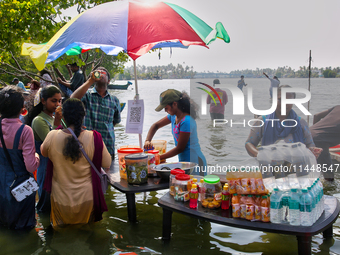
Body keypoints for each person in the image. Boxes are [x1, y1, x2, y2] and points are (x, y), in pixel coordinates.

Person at [41, 98, 111, 228]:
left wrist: (58, 127)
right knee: (87, 233)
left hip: (61, 198)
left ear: (64, 116)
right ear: (83, 116)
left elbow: (44, 153)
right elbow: (107, 163)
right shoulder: (94, 137)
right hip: (87, 198)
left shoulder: (52, 136)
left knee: (62, 235)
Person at [0, 86, 40, 229]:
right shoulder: (25, 130)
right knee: (23, 228)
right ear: (21, 108)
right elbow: (30, 166)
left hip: (1, 185)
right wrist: (36, 157)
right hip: (21, 187)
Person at [144, 89, 207, 176]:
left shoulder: (187, 121)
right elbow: (155, 126)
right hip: (184, 162)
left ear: (174, 104)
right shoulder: (173, 117)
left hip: (195, 162)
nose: (165, 110)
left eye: (166, 108)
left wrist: (157, 157)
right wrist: (147, 140)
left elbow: (180, 148)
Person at [245, 85, 318, 157]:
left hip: (296, 166)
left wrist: (313, 151)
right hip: (270, 166)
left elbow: (309, 144)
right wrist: (259, 154)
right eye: (280, 99)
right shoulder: (262, 121)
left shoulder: (301, 123)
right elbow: (249, 143)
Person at [25, 85, 62, 212]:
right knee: (46, 208)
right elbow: (52, 145)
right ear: (43, 101)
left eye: (59, 101)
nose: (57, 104)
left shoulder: (52, 117)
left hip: (57, 168)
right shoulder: (39, 120)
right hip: (46, 169)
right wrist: (57, 123)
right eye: (53, 101)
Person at [71, 67, 121, 159]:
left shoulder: (114, 100)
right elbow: (72, 100)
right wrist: (90, 80)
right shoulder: (87, 96)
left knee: (108, 172)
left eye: (104, 73)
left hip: (108, 145)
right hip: (88, 146)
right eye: (99, 72)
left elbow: (116, 121)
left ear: (108, 81)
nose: (101, 74)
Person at [310, 105, 340, 181]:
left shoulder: (338, 107)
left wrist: (314, 132)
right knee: (329, 178)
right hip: (319, 141)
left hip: (306, 134)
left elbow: (317, 116)